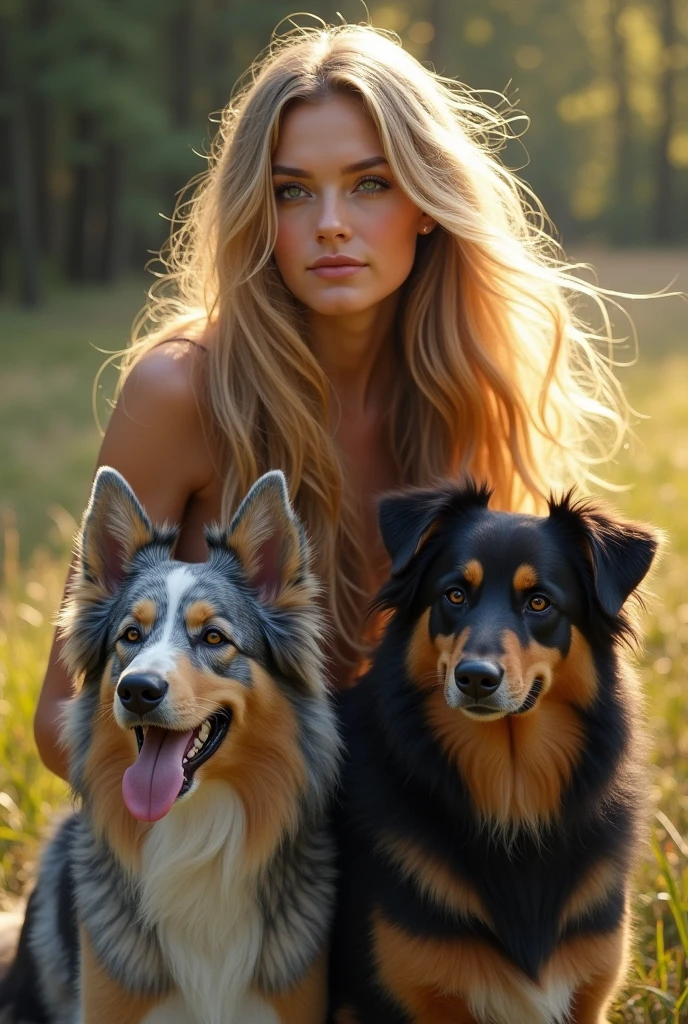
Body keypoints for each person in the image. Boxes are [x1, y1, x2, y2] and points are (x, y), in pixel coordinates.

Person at [34, 18, 629, 781]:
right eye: (292, 192)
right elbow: (62, 721)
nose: (331, 225)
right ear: (258, 214)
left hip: (395, 824)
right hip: (223, 833)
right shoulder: (181, 390)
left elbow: (492, 661)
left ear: (426, 200)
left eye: (369, 184)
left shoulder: (471, 395)